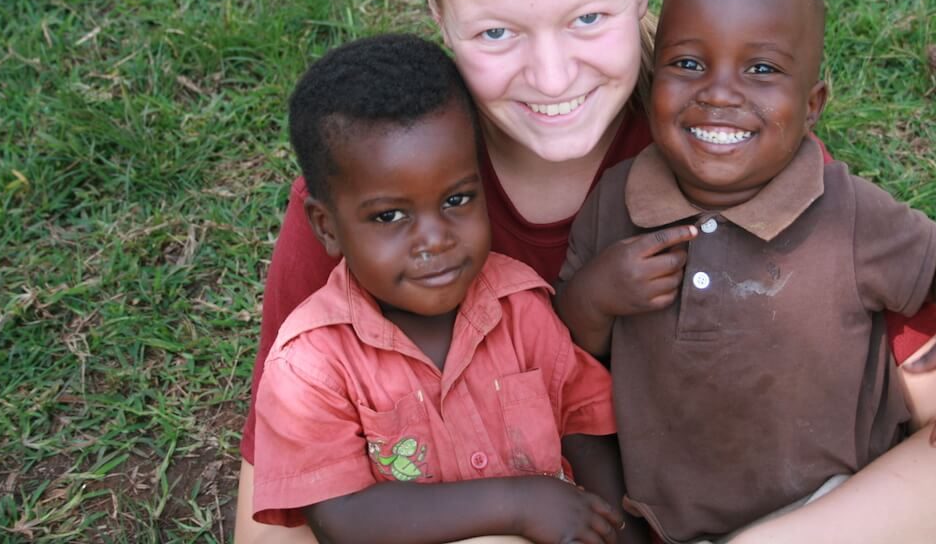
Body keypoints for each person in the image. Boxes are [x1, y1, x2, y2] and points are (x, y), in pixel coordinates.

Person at [234, 0, 936, 544]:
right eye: (496, 31)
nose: (551, 78)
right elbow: (273, 518)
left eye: (588, 18)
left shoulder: (718, 147)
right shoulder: (374, 194)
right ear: (437, 11)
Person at [554, 0, 936, 543]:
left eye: (762, 71)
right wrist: (596, 297)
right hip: (663, 515)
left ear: (812, 106)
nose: (719, 93)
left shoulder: (845, 211)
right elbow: (571, 346)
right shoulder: (617, 200)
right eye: (689, 63)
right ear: (652, 87)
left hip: (827, 505)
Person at [253, 34, 647, 544]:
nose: (435, 239)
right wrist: (517, 504)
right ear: (326, 226)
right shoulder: (311, 368)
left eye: (457, 199)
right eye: (389, 215)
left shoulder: (521, 306)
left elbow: (585, 432)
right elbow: (343, 517)